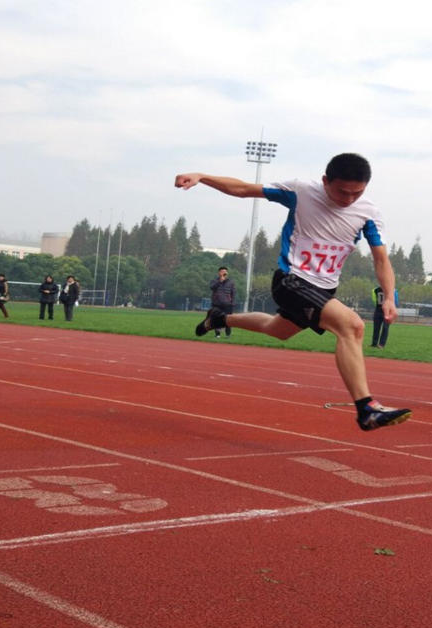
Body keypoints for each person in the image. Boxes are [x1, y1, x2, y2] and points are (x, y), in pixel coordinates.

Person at [176, 152, 410, 432]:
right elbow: (242, 189)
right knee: (353, 326)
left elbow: (381, 259)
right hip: (291, 280)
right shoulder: (301, 192)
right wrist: (203, 177)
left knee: (279, 329)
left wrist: (389, 296)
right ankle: (366, 409)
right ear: (325, 182)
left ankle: (219, 318)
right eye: (341, 192)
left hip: (324, 288)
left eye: (356, 194)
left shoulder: (368, 213)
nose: (348, 200)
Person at [209, 267, 236, 338]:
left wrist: (232, 303)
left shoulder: (231, 282)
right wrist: (220, 281)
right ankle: (217, 335)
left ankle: (228, 335)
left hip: (227, 304)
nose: (224, 273)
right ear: (219, 273)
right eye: (222, 271)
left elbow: (233, 293)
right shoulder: (214, 281)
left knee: (228, 320)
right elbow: (212, 287)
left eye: (225, 272)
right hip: (216, 304)